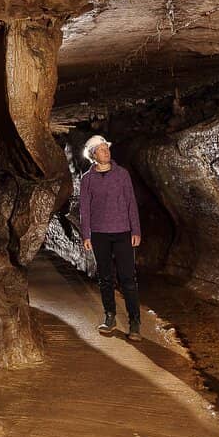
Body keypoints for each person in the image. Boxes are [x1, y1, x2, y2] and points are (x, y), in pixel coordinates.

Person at [79, 135, 143, 341]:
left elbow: (131, 203)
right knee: (105, 278)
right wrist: (86, 234)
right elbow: (84, 209)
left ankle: (135, 322)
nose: (106, 151)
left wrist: (136, 230)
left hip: (123, 231)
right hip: (99, 234)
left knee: (128, 279)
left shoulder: (122, 174)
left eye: (107, 148)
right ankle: (110, 317)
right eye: (101, 149)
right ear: (93, 155)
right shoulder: (87, 179)